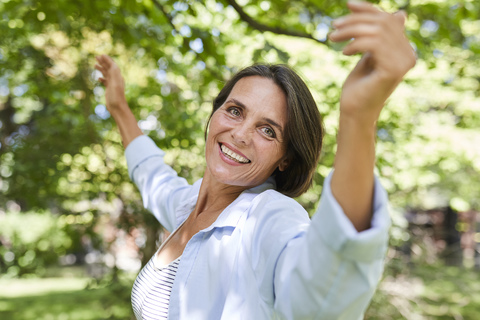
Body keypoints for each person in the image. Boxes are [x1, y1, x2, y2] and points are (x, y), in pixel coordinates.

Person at [95, 1, 416, 319]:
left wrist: (359, 117)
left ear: (285, 159)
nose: (241, 134)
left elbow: (322, 298)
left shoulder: (269, 217)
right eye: (235, 111)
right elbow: (150, 173)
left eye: (267, 130)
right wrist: (119, 108)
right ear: (215, 113)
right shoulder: (188, 204)